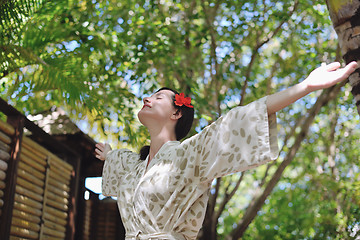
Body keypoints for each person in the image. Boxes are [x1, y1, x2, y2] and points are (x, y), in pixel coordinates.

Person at [95, 61, 358, 240]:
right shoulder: (136, 168)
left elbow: (235, 122)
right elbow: (123, 160)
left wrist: (305, 87)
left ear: (177, 112)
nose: (147, 99)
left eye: (158, 96)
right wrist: (109, 154)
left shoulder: (189, 155)